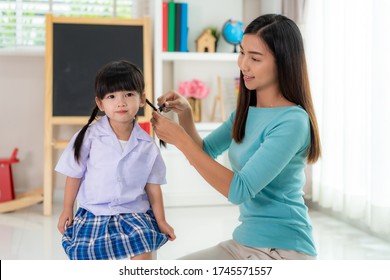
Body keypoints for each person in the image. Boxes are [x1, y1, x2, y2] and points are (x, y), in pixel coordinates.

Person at [151, 14, 321, 260]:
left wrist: (180, 139)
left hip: (281, 250)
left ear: (283, 63)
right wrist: (186, 114)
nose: (243, 65)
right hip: (244, 242)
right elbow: (205, 152)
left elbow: (239, 190)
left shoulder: (293, 121)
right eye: (242, 53)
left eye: (255, 58)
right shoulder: (246, 112)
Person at [56, 60, 175, 260]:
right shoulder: (89, 136)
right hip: (95, 212)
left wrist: (161, 220)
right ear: (101, 103)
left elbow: (153, 187)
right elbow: (74, 175)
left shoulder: (147, 145)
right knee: (87, 254)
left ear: (142, 98)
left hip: (133, 213)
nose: (121, 102)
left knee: (143, 249)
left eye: (129, 94)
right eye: (112, 96)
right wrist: (67, 208)